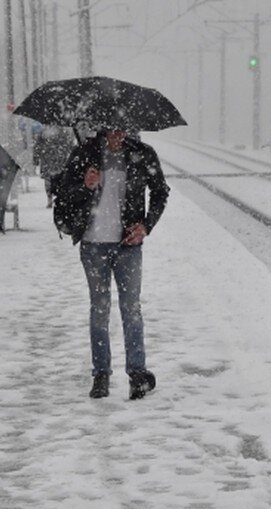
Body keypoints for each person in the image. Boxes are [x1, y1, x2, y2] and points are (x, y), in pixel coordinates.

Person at [55, 128, 169, 400]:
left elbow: (160, 192)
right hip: (93, 245)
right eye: (112, 129)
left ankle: (137, 374)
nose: (117, 134)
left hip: (127, 245)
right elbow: (63, 195)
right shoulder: (84, 154)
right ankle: (101, 374)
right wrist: (85, 185)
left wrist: (146, 225)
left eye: (122, 128)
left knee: (131, 308)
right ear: (103, 128)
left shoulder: (142, 154)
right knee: (100, 308)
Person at [33, 125, 76, 208]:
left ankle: (50, 198)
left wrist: (36, 159)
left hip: (48, 159)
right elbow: (70, 146)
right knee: (59, 179)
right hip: (58, 159)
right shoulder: (63, 132)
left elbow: (37, 147)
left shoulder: (43, 132)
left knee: (49, 180)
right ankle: (57, 197)